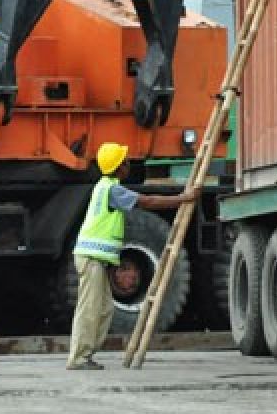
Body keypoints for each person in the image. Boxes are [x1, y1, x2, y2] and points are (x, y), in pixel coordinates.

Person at [65, 142, 195, 370]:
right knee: (90, 308)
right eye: (125, 161)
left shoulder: (106, 186)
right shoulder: (112, 190)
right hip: (91, 258)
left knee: (104, 309)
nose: (128, 165)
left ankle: (87, 354)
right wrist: (183, 198)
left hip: (97, 259)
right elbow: (147, 201)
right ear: (118, 167)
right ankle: (78, 358)